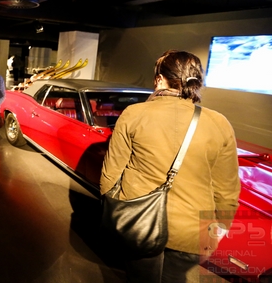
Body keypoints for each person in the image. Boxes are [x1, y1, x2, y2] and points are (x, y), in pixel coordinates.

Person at [100, 50, 240, 283]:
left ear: (159, 79)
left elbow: (109, 175)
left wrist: (115, 210)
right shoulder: (219, 123)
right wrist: (222, 225)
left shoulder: (134, 114)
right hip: (194, 229)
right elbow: (226, 188)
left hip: (139, 223)